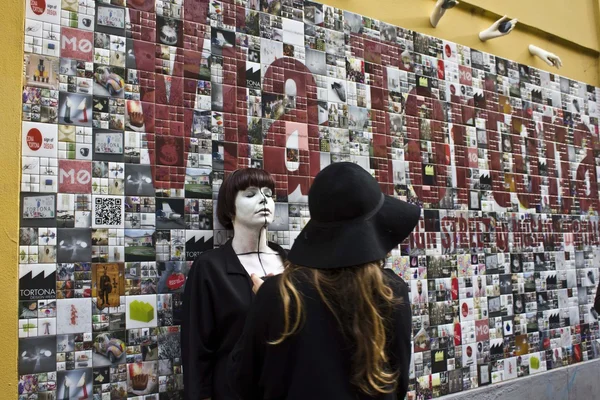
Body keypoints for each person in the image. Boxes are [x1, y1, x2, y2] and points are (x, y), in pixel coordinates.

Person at [228, 162, 420, 400]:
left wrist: (266, 304)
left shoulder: (278, 295)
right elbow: (397, 384)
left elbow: (242, 382)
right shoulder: (392, 292)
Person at [182, 168, 287, 400]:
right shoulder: (210, 267)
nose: (264, 199)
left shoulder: (292, 263)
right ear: (230, 209)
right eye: (250, 194)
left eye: (269, 194)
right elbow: (196, 350)